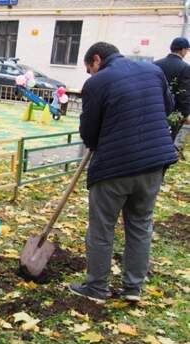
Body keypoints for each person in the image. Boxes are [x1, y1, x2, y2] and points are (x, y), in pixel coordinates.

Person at [69, 42, 177, 304]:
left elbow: (88, 133)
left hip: (114, 168)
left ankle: (96, 288)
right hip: (154, 164)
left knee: (102, 228)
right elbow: (167, 107)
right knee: (141, 225)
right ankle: (133, 288)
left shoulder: (97, 83)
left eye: (89, 69)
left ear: (96, 60)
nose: (90, 75)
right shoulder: (153, 71)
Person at [155, 37, 190, 153]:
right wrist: (185, 113)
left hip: (154, 108)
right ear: (183, 50)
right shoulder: (185, 68)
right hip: (173, 113)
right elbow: (183, 94)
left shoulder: (156, 64)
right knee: (166, 143)